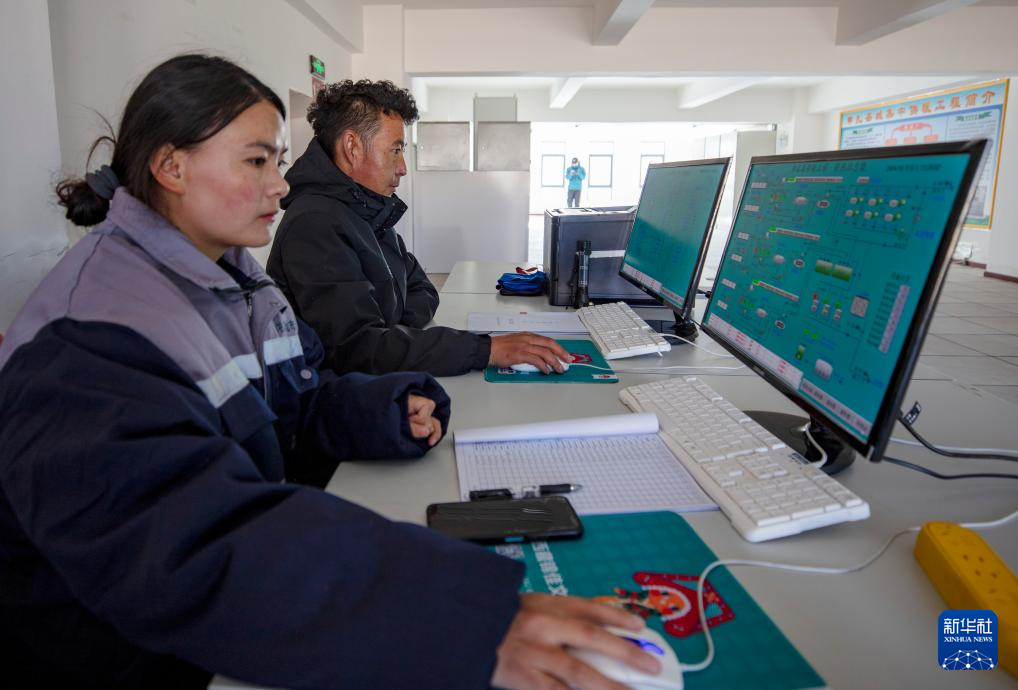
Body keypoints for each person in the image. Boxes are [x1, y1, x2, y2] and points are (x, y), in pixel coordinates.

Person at [0, 55, 660, 690]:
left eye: (278, 161)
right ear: (171, 166)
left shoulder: (235, 280)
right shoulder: (90, 338)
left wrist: (379, 410)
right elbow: (197, 547)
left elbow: (293, 403)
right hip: (131, 654)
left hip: (220, 603)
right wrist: (461, 620)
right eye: (256, 161)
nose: (280, 185)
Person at [266, 80, 570, 377]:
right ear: (352, 147)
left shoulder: (369, 211)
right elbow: (359, 349)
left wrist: (393, 337)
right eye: (395, 150)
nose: (402, 168)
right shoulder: (315, 224)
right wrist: (484, 350)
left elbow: (423, 288)